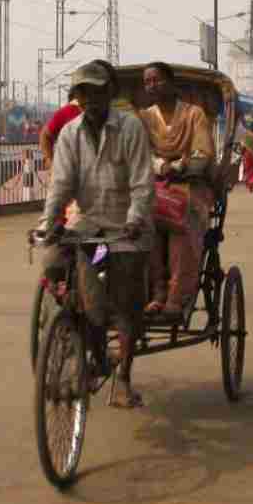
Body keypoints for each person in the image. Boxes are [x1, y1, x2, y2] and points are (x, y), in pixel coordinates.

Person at [37, 61, 153, 408]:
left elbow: (142, 183)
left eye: (95, 91)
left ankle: (124, 378)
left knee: (125, 300)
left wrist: (134, 220)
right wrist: (49, 222)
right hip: (87, 221)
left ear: (109, 93)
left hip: (126, 224)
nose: (89, 99)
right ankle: (75, 327)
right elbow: (61, 183)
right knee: (54, 262)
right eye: (82, 93)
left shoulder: (130, 127)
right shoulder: (70, 133)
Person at [140, 62, 215, 320]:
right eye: (148, 82)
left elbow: (202, 151)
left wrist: (182, 167)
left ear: (172, 84)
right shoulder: (144, 118)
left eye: (157, 80)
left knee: (181, 225)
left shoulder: (194, 114)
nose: (152, 86)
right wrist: (161, 166)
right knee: (138, 223)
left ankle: (176, 296)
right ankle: (155, 291)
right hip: (153, 185)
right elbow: (139, 152)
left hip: (190, 184)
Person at [39, 88, 84, 169]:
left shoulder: (66, 112)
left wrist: (49, 160)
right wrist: (50, 160)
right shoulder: (68, 111)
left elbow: (45, 135)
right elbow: (45, 135)